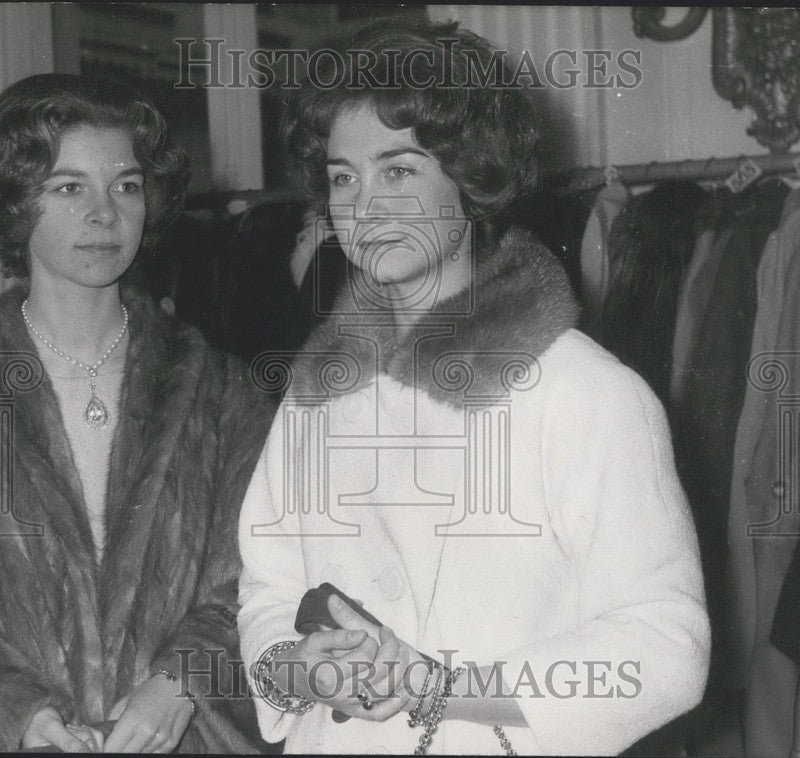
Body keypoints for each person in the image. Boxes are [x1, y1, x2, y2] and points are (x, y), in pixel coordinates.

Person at [237, 18, 711, 756]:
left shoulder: (584, 393)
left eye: (398, 171)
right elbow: (265, 588)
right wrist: (297, 671)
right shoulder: (314, 397)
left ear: (473, 179)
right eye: (342, 177)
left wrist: (447, 695)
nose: (363, 207)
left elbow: (665, 646)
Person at [0, 74, 272, 753]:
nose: (104, 213)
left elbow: (256, 582)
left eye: (126, 185)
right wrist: (19, 716)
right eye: (69, 187)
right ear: (15, 204)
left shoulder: (223, 391)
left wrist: (180, 682)